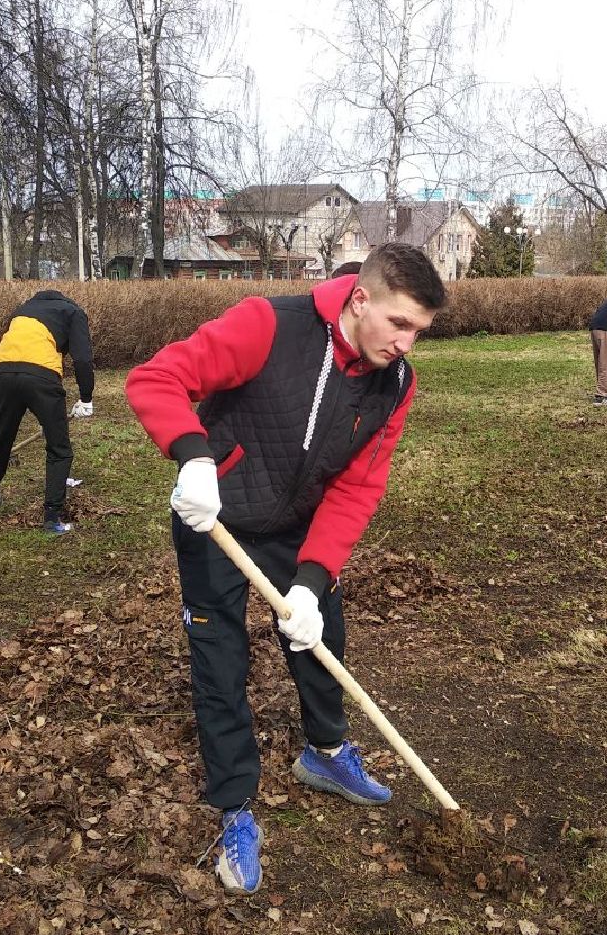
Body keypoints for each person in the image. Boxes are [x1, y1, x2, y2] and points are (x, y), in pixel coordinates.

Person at [125, 242, 447, 896]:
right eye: (400, 324)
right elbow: (155, 378)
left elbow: (358, 488)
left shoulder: (396, 384)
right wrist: (192, 458)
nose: (408, 344)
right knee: (220, 657)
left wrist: (311, 577)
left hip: (295, 522)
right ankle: (235, 807)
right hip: (214, 513)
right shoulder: (268, 325)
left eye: (420, 331)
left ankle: (325, 754)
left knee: (321, 634)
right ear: (361, 299)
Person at [0, 290, 94, 534]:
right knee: (59, 448)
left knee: (0, 438)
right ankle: (52, 518)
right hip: (42, 377)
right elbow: (82, 359)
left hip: (4, 372)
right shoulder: (73, 312)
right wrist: (86, 398)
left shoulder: (22, 310)